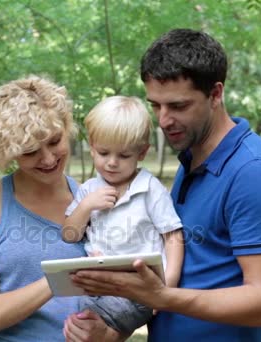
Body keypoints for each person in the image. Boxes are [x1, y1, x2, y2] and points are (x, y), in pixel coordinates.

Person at [67, 28, 261, 341]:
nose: (163, 120)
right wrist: (109, 330)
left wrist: (160, 296)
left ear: (215, 94)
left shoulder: (253, 173)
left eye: (178, 106)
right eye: (156, 105)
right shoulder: (190, 161)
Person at [0, 76, 122, 341]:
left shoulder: (95, 201)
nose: (47, 158)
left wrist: (108, 334)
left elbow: (120, 305)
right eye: (30, 151)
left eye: (54, 141)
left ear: (67, 128)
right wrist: (60, 277)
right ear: (7, 150)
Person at [62, 96, 184, 335]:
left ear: (142, 152)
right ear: (91, 145)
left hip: (141, 286)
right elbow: (69, 234)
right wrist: (85, 206)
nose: (112, 163)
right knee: (79, 323)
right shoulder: (88, 190)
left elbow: (173, 237)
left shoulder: (149, 189)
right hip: (98, 285)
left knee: (91, 323)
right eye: (103, 152)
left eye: (124, 155)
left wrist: (168, 289)